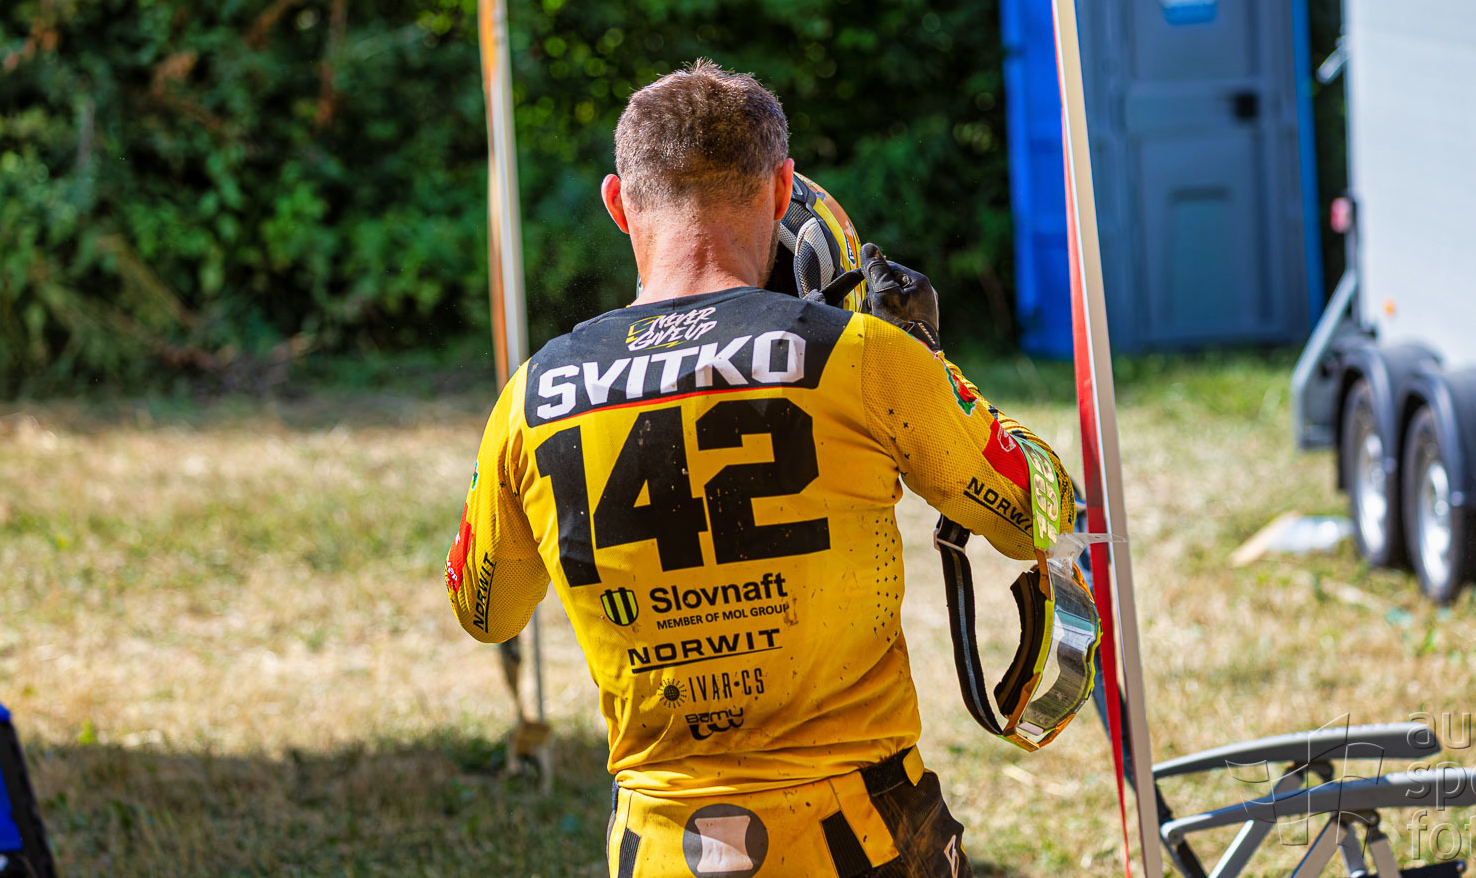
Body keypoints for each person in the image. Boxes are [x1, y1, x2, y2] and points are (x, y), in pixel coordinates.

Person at [446, 60, 1074, 877]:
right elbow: (1043, 515)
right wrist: (929, 363)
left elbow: (484, 611)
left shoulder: (531, 394)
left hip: (657, 845)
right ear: (781, 190)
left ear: (617, 202)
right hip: (861, 833)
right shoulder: (862, 356)